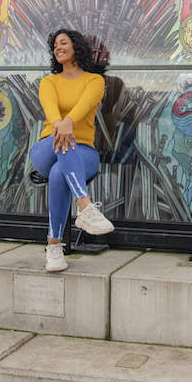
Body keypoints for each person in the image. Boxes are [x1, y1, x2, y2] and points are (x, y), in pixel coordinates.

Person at [30, 29, 114, 272]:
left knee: (59, 173)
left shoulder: (94, 81)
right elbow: (50, 111)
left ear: (77, 47)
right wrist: (61, 125)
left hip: (84, 151)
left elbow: (84, 105)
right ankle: (85, 205)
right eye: (55, 45)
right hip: (47, 147)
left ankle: (54, 247)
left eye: (63, 43)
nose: (58, 48)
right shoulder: (49, 82)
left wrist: (69, 123)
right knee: (62, 141)